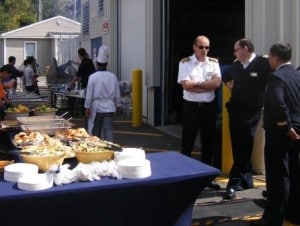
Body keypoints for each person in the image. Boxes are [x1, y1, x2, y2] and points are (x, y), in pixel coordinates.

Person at [250, 43, 300, 226]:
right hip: (297, 131)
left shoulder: (276, 77)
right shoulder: (297, 74)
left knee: (278, 177)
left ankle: (272, 219)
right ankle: (294, 212)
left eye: (270, 58)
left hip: (281, 134)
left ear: (275, 58)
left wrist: (286, 127)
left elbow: (279, 105)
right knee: (294, 173)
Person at [222, 38, 273, 199]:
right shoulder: (237, 65)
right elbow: (226, 74)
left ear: (245, 49)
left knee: (245, 145)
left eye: (236, 49)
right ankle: (246, 180)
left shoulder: (262, 63)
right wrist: (229, 84)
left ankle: (233, 183)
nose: (234, 52)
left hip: (251, 113)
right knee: (238, 145)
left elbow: (276, 78)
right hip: (235, 111)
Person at [177, 35, 222, 189]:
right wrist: (206, 85)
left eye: (207, 47)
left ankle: (207, 176)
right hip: (191, 107)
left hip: (208, 106)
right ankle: (184, 174)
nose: (204, 50)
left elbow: (217, 83)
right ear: (194, 47)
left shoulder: (214, 63)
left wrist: (197, 84)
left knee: (208, 142)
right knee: (187, 141)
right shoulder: (185, 63)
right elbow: (186, 85)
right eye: (201, 47)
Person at [84, 45, 121, 142]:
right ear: (106, 64)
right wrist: (118, 105)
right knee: (108, 130)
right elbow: (117, 94)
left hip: (97, 108)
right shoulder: (113, 76)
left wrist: (87, 107)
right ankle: (109, 150)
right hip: (109, 107)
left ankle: (97, 151)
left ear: (96, 64)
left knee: (96, 131)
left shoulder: (93, 77)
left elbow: (89, 94)